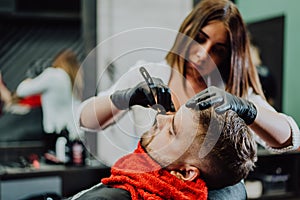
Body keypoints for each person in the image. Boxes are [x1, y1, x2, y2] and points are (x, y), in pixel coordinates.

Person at [78, 0, 299, 197]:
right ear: (187, 32)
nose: (203, 54)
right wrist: (124, 98)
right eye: (200, 39)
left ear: (230, 55)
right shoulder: (152, 73)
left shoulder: (235, 90)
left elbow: (292, 140)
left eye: (218, 49)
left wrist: (248, 109)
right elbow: (85, 119)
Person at [70, 106, 257, 200]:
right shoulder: (235, 190)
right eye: (172, 115)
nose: (159, 118)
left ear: (185, 173)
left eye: (172, 131)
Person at [16, 49, 84, 141]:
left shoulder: (53, 75)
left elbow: (21, 91)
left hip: (57, 131)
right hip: (76, 131)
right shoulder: (76, 80)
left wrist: (30, 80)